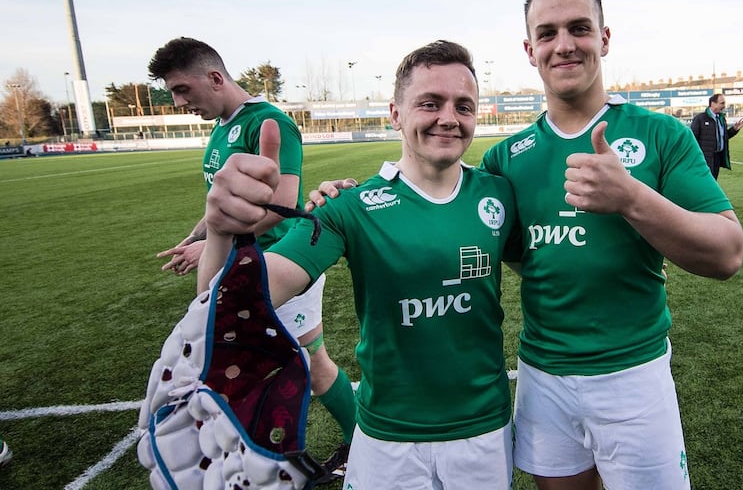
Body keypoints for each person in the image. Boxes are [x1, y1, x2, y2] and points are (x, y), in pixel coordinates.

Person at [308, 0, 743, 490]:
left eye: (580, 28)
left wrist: (630, 198)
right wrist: (339, 198)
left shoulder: (661, 133)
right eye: (548, 33)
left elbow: (727, 254)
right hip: (544, 376)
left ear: (604, 39)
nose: (564, 45)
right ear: (529, 48)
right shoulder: (506, 160)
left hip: (634, 373)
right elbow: (499, 242)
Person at [198, 40, 518, 489]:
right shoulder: (349, 207)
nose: (449, 117)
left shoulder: (500, 195)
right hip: (387, 438)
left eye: (463, 106)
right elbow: (225, 301)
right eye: (430, 103)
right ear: (396, 113)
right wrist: (220, 230)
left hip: (483, 432)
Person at [146, 37, 355, 480]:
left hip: (281, 263)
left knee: (310, 365)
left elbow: (283, 201)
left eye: (183, 89)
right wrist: (199, 234)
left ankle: (356, 445)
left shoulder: (268, 122)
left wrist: (215, 241)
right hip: (243, 267)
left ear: (215, 78)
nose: (179, 101)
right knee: (273, 364)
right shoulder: (223, 127)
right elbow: (222, 203)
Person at [690, 93, 743, 179]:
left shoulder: (721, 118)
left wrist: (734, 129)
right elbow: (692, 139)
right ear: (713, 103)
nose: (724, 106)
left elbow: (723, 137)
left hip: (717, 157)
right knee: (705, 182)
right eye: (722, 103)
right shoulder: (700, 118)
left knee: (713, 182)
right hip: (705, 158)